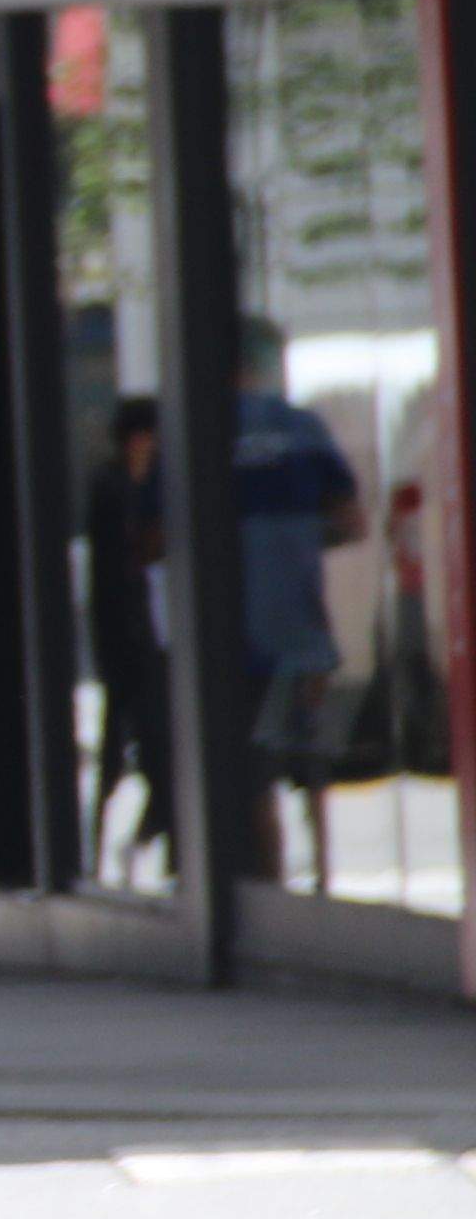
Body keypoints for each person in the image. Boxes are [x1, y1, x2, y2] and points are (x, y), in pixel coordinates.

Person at [227, 320, 365, 880]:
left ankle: (273, 880)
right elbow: (350, 521)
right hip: (302, 626)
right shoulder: (303, 429)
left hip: (235, 632)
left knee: (252, 771)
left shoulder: (201, 428)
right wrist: (301, 539)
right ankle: (324, 879)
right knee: (309, 762)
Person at [78, 392, 169, 873]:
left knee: (157, 749)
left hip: (146, 635)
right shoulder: (113, 487)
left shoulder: (155, 485)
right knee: (117, 750)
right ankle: (97, 852)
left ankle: (145, 840)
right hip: (122, 636)